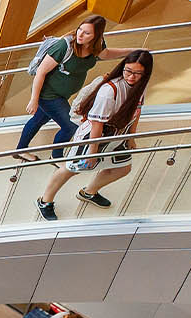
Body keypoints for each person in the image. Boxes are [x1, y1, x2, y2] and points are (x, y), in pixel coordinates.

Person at [36, 50, 153, 221]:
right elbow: (97, 124)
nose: (131, 76)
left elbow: (136, 111)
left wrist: (131, 137)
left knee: (122, 168)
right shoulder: (109, 91)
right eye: (128, 70)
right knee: (71, 168)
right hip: (94, 135)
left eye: (137, 73)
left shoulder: (139, 86)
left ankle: (88, 192)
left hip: (117, 134)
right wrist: (93, 152)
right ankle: (45, 200)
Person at [13, 16, 139, 161]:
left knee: (38, 119)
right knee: (71, 125)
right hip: (48, 95)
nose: (80, 34)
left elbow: (107, 54)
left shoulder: (97, 47)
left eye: (86, 33)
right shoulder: (64, 46)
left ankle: (20, 150)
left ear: (96, 36)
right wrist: (34, 100)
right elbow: (41, 72)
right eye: (80, 29)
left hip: (60, 95)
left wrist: (134, 51)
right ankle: (56, 157)